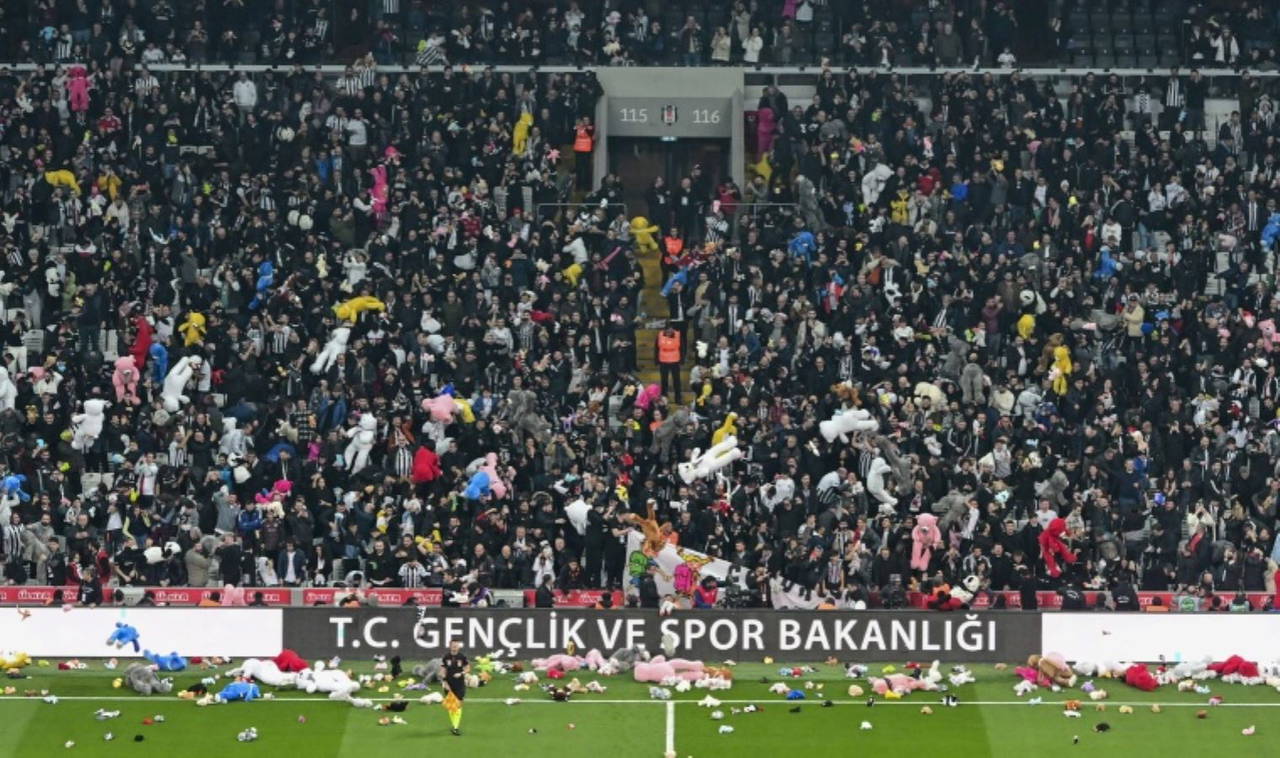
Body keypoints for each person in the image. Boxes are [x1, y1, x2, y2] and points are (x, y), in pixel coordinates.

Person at [440, 639, 470, 736]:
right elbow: (442, 670)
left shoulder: (462, 657)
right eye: (453, 645)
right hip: (449, 684)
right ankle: (455, 726)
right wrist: (444, 681)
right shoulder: (446, 657)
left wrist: (461, 673)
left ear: (459, 647)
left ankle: (455, 727)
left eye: (456, 645)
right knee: (451, 705)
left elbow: (468, 668)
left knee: (459, 704)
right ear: (450, 646)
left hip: (459, 684)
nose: (454, 647)